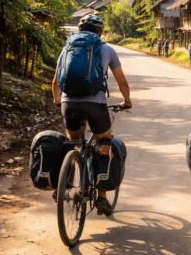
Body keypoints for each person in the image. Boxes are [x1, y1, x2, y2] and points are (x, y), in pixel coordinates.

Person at [52, 14, 133, 216]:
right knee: (104, 141)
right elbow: (122, 81)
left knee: (73, 141)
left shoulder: (68, 48)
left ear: (80, 30)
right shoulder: (106, 49)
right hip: (95, 104)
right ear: (100, 31)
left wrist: (57, 100)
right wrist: (127, 101)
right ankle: (102, 198)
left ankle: (64, 182)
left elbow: (55, 82)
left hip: (68, 103)